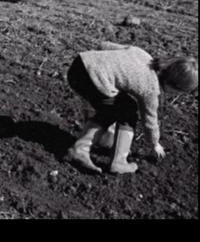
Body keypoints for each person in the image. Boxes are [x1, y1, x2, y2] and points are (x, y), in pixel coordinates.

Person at [65, 41, 198, 174]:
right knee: (127, 111)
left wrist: (106, 64)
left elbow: (103, 45)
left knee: (119, 105)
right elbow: (150, 121)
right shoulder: (151, 89)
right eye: (179, 92)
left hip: (80, 64)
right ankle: (117, 161)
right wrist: (155, 144)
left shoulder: (143, 54)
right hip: (93, 79)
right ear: (172, 85)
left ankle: (102, 139)